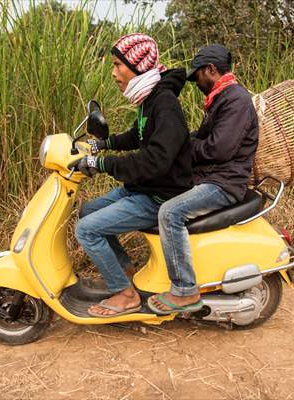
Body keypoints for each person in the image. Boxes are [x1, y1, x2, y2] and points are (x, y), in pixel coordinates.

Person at [72, 33, 192, 318]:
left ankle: (125, 295)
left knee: (86, 230)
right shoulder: (149, 98)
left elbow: (154, 160)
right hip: (143, 187)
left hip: (158, 195)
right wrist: (104, 144)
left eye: (118, 65)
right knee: (87, 211)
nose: (114, 73)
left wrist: (101, 164)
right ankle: (125, 270)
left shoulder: (165, 105)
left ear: (138, 65)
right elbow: (138, 135)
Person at [147, 44, 259, 314]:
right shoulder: (222, 99)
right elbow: (203, 138)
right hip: (212, 177)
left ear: (211, 70)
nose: (196, 82)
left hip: (223, 183)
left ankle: (185, 290)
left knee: (170, 213)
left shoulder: (236, 100)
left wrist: (181, 149)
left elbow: (218, 148)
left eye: (197, 75)